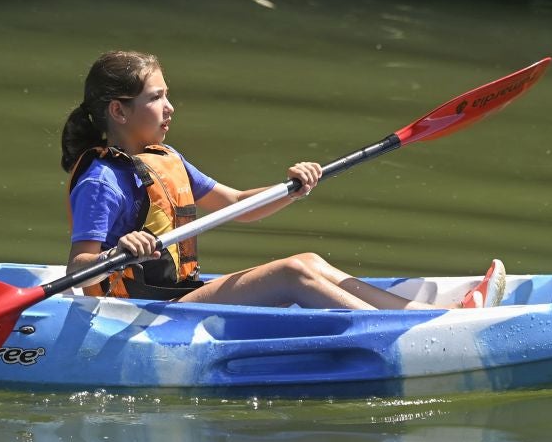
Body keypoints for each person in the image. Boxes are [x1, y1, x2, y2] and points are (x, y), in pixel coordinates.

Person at [61, 50, 502, 309]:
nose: (170, 107)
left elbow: (238, 203)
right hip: (141, 311)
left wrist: (292, 186)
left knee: (307, 259)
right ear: (118, 111)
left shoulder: (164, 159)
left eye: (167, 95)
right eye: (156, 98)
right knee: (291, 272)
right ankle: (417, 332)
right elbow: (80, 271)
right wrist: (121, 250)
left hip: (177, 295)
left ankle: (424, 315)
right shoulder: (102, 181)